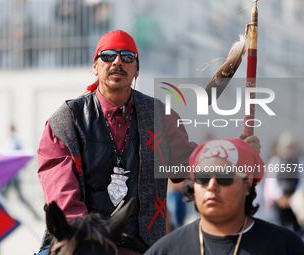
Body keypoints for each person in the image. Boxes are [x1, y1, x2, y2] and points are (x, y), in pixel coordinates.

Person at [37, 30, 260, 255]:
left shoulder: (160, 115)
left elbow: (193, 162)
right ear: (95, 67)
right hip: (79, 242)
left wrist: (236, 153)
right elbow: (63, 197)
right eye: (107, 56)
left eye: (127, 57)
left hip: (145, 248)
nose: (117, 62)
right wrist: (93, 242)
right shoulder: (64, 122)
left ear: (136, 70)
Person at [145, 138, 304, 255]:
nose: (212, 185)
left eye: (224, 177)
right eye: (203, 177)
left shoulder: (286, 246)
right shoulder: (165, 250)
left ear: (247, 184)